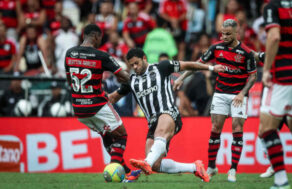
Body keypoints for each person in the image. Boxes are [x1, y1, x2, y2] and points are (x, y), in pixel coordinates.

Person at [108, 48, 225, 182]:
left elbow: (188, 64)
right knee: (156, 164)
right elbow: (112, 98)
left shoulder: (161, 67)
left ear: (144, 58)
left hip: (169, 113)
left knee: (159, 138)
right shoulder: (132, 81)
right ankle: (194, 167)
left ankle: (140, 169)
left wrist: (211, 68)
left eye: (137, 63)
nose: (135, 67)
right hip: (152, 123)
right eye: (132, 65)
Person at [174, 19, 258, 182]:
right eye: (222, 33)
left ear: (236, 33)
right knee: (215, 128)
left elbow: (253, 76)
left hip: (238, 94)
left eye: (227, 34)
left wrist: (242, 93)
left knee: (237, 127)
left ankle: (233, 169)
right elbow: (197, 64)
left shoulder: (246, 52)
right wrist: (181, 79)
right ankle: (212, 166)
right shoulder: (216, 48)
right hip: (220, 93)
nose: (224, 36)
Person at [64, 24, 141, 182]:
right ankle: (113, 172)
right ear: (97, 37)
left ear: (83, 35)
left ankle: (126, 171)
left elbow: (70, 81)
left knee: (106, 134)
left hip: (79, 109)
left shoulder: (69, 53)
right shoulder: (101, 55)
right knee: (121, 135)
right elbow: (124, 76)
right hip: (97, 105)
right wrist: (135, 81)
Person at [259, 0, 292, 188]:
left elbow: (274, 37)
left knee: (266, 128)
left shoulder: (272, 6)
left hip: (284, 75)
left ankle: (281, 181)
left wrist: (266, 69)